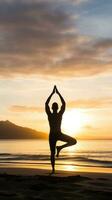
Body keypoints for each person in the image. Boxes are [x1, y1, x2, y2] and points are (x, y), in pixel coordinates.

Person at [45, 86, 77, 174]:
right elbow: (64, 103)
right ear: (57, 108)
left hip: (53, 135)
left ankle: (53, 169)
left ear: (52, 108)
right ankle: (59, 148)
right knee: (74, 141)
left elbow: (46, 103)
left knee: (52, 153)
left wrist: (52, 93)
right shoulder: (59, 114)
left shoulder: (50, 115)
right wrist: (58, 93)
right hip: (57, 134)